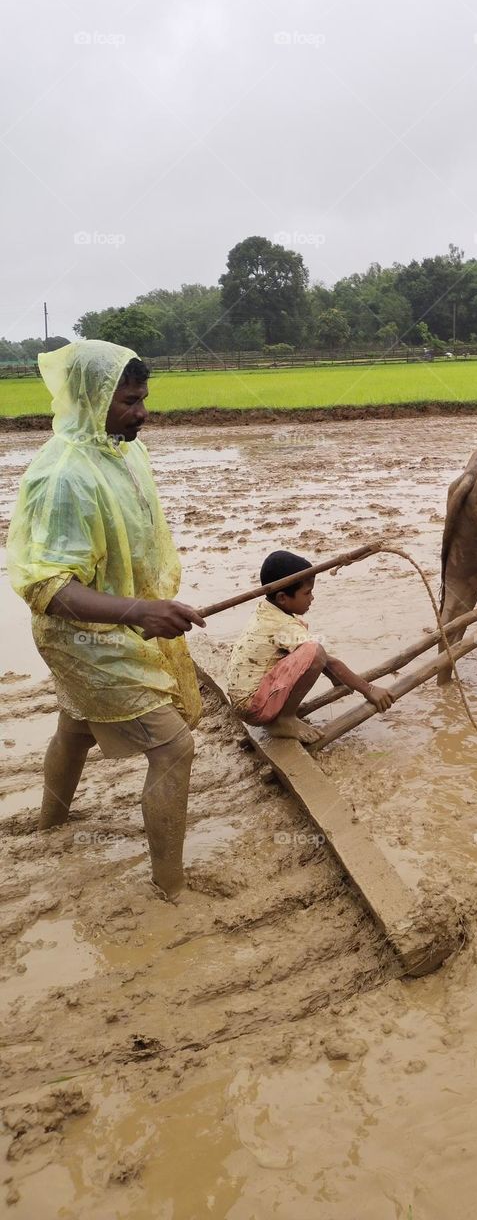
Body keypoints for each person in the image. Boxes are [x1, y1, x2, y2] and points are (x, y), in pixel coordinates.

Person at [6, 340, 205, 899]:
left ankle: (51, 826)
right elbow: (47, 587)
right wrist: (140, 610)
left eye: (144, 398)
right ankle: (171, 891)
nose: (143, 412)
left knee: (74, 727)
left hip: (118, 621)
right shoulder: (64, 477)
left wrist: (146, 604)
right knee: (174, 750)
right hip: (83, 637)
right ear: (91, 401)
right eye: (129, 401)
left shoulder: (119, 448)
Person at [226, 550, 394, 744]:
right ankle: (285, 719)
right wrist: (369, 689)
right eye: (307, 593)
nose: (312, 598)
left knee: (308, 649)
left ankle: (284, 712)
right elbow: (323, 659)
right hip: (255, 708)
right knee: (314, 651)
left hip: (244, 702)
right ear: (282, 598)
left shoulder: (266, 611)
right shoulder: (283, 625)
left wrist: (340, 681)